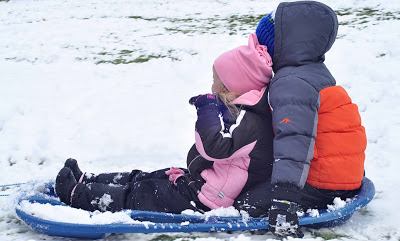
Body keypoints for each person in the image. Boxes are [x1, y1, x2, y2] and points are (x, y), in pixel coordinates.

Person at [55, 33, 276, 214]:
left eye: (215, 82)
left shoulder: (252, 122)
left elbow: (215, 148)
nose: (211, 87)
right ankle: (89, 179)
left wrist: (207, 111)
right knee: (147, 177)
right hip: (203, 183)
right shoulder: (244, 112)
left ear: (230, 87)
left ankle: (78, 195)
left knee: (142, 195)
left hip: (206, 199)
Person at [252, 1, 367, 238]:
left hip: (320, 186)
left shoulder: (291, 82)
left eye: (263, 46)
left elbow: (293, 141)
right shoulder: (318, 75)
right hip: (345, 181)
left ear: (280, 46)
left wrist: (283, 201)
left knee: (245, 201)